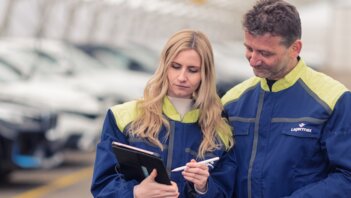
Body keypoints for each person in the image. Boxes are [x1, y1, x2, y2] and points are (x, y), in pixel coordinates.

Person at [222, 0, 351, 197]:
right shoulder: (232, 101)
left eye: (265, 53)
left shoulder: (333, 99)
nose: (254, 60)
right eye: (249, 48)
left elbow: (346, 176)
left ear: (295, 48)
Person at [91, 29, 236, 198]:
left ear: (205, 74)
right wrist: (135, 193)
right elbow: (102, 185)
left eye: (192, 70)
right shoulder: (123, 117)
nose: (182, 77)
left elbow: (227, 191)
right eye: (175, 66)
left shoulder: (220, 129)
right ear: (164, 66)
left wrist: (203, 187)